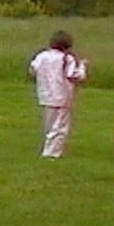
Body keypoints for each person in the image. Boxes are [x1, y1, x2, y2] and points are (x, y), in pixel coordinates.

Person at [28, 30, 87, 158]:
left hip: (45, 94)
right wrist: (82, 67)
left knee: (49, 124)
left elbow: (33, 70)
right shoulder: (67, 58)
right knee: (60, 126)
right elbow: (73, 75)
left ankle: (48, 148)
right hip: (62, 96)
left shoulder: (42, 55)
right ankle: (52, 152)